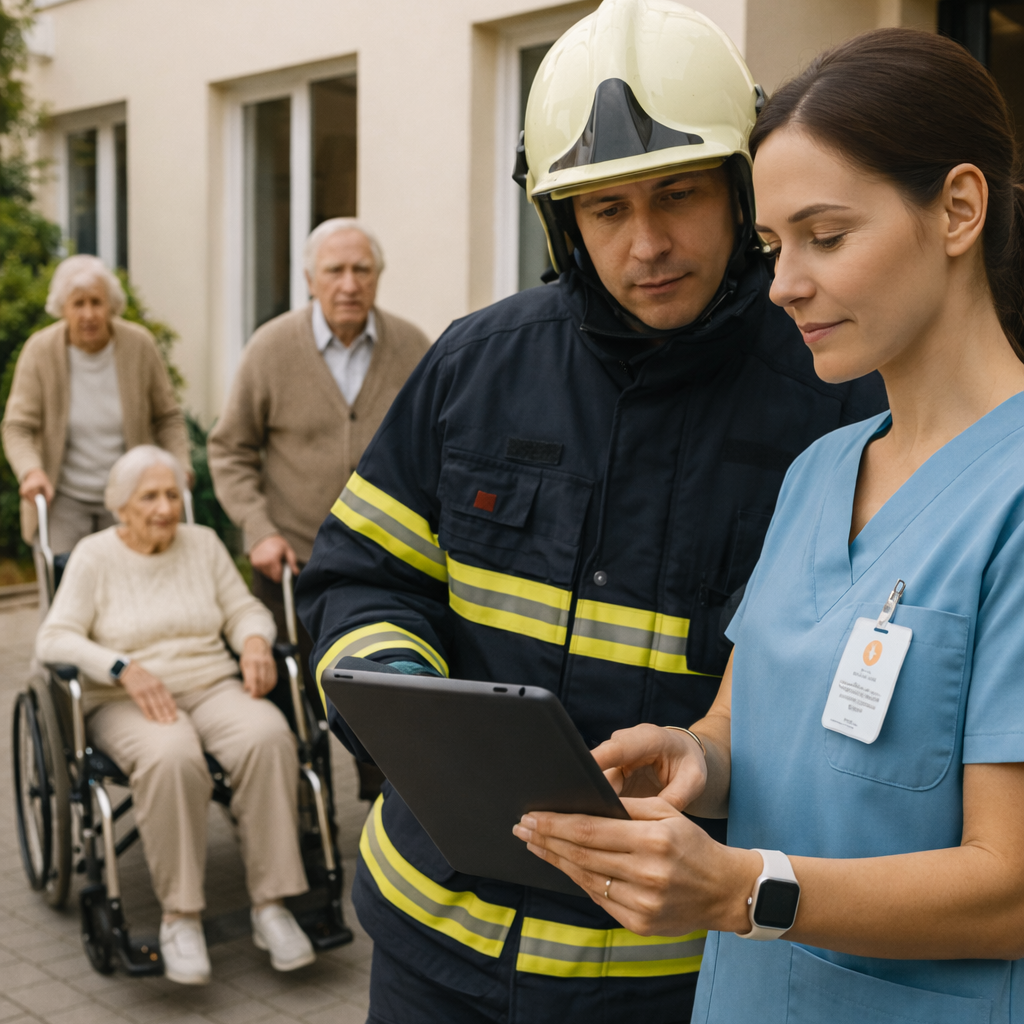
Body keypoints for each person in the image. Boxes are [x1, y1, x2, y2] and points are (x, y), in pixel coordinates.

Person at [295, 2, 886, 1021]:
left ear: (740, 190)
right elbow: (361, 572)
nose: (646, 243)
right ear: (558, 217)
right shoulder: (474, 365)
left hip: (664, 978)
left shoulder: (837, 402)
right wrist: (398, 692)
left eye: (678, 194)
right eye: (605, 209)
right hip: (429, 942)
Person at [513, 27, 1024, 1024]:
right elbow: (745, 722)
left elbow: (1011, 886)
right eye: (773, 246)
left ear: (958, 208)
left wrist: (740, 890)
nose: (784, 282)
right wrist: (695, 757)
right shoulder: (822, 470)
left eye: (825, 236)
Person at [35, 446, 316, 986]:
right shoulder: (93, 557)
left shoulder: (203, 544)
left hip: (210, 682)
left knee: (269, 736)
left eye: (171, 494)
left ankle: (271, 906)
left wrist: (255, 641)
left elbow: (242, 609)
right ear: (119, 505)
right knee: (171, 756)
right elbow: (54, 638)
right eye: (150, 497)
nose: (165, 507)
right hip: (125, 700)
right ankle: (180, 917)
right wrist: (122, 668)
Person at [208, 219, 430, 780]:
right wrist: (258, 531)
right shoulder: (271, 348)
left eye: (362, 269)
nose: (349, 284)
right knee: (295, 720)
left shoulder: (415, 348)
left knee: (390, 710)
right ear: (310, 279)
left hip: (388, 569)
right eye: (335, 271)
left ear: (378, 277)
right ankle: (310, 830)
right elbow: (230, 449)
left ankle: (395, 819)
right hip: (290, 568)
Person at [1, 254, 192, 565]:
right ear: (62, 308)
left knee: (132, 586)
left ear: (111, 305)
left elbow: (167, 417)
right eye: (78, 304)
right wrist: (31, 471)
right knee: (63, 587)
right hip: (62, 496)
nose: (88, 314)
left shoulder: (139, 345)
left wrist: (180, 465)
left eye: (96, 302)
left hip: (131, 493)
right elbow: (17, 426)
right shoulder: (39, 350)